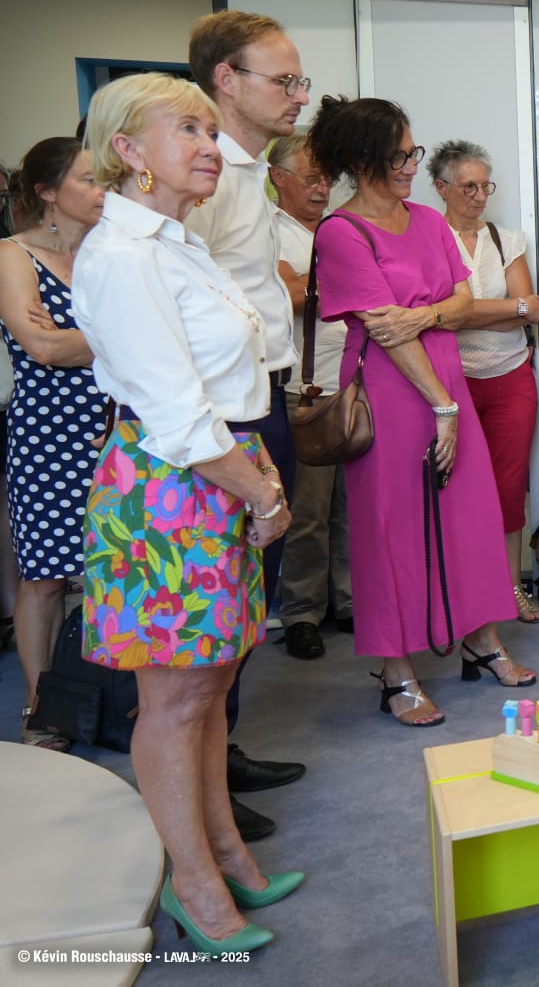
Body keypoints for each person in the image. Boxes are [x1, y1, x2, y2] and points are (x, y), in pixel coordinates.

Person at [75, 73, 302, 953]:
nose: (211, 146)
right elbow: (172, 412)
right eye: (189, 130)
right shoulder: (123, 254)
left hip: (215, 472)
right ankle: (194, 889)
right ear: (127, 151)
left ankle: (228, 854)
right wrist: (260, 489)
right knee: (172, 702)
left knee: (208, 686)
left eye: (212, 131)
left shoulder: (177, 242)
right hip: (171, 486)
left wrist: (251, 480)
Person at [306, 96, 534, 725]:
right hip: (392, 397)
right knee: (390, 530)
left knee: (469, 517)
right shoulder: (341, 232)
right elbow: (384, 332)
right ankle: (396, 672)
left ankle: (478, 640)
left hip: (446, 387)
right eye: (400, 155)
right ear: (362, 159)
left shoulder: (430, 223)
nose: (411, 165)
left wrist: (426, 315)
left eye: (413, 152)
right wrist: (441, 406)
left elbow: (462, 302)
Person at [185, 9, 309, 838]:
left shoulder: (253, 170)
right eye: (285, 80)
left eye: (300, 81)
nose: (299, 95)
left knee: (248, 595)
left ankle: (223, 756)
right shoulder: (206, 177)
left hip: (267, 395)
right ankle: (203, 786)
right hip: (228, 411)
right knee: (219, 600)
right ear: (227, 80)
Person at [1, 138, 107, 749]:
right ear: (47, 193)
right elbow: (40, 349)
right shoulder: (13, 255)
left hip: (114, 424)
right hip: (48, 432)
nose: (102, 193)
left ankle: (106, 699)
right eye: (89, 181)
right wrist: (120, 334)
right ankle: (42, 709)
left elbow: (65, 342)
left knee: (108, 571)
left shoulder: (104, 254)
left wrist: (78, 339)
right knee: (44, 576)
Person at [429, 140, 539, 625]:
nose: (479, 196)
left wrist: (465, 315)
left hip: (510, 378)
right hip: (449, 384)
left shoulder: (507, 239)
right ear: (441, 188)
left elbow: (533, 310)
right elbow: (435, 318)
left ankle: (510, 587)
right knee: (452, 487)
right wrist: (507, 310)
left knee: (509, 485)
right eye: (468, 186)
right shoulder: (428, 238)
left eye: (485, 186)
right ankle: (459, 592)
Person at [267, 131, 352, 660]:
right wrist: (323, 286)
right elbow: (289, 297)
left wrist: (312, 285)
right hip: (305, 389)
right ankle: (300, 612)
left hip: (358, 386)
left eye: (327, 178)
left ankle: (349, 602)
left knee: (354, 508)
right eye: (311, 177)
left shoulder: (344, 228)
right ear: (278, 178)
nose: (323, 188)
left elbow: (313, 289)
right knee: (308, 512)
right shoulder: (264, 231)